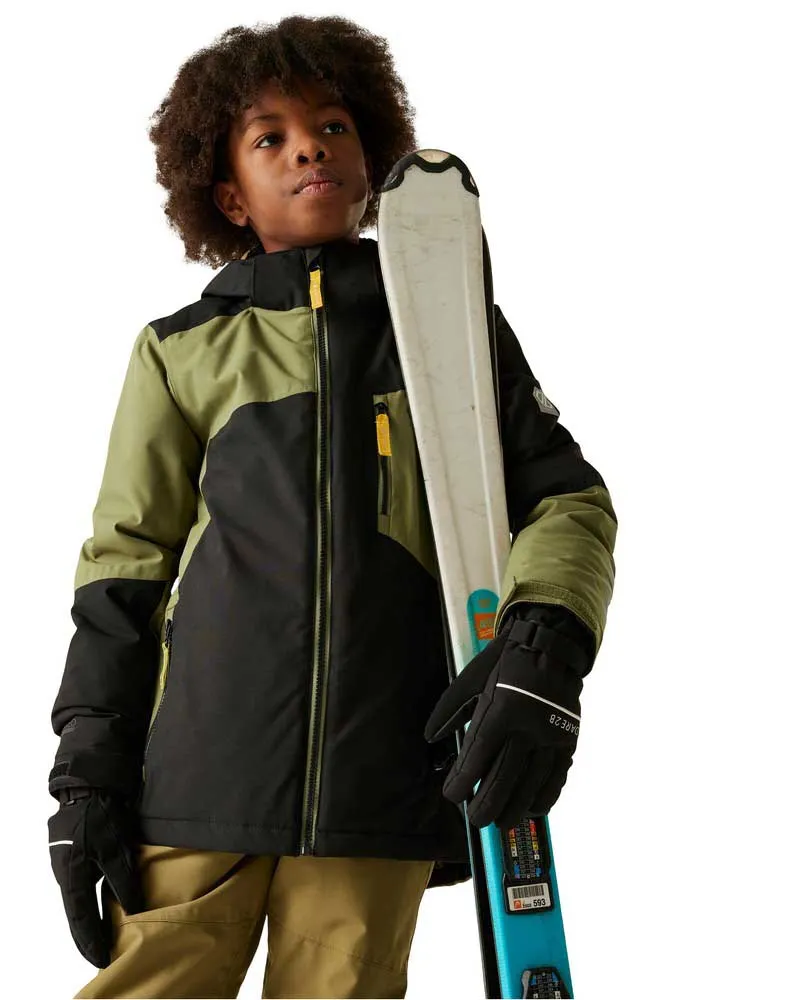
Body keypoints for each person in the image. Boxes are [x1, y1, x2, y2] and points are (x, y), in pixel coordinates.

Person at [46, 15, 617, 999]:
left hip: (382, 776)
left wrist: (545, 647)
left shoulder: (448, 330)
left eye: (332, 127)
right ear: (228, 192)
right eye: (270, 137)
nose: (309, 147)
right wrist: (86, 774)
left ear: (372, 164)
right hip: (198, 777)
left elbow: (567, 500)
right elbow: (124, 567)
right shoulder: (182, 350)